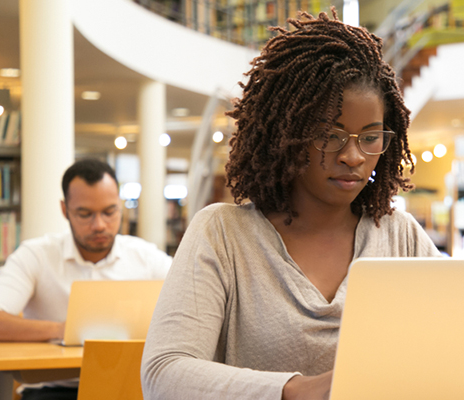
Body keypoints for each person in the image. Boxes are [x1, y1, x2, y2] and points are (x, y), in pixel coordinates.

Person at [141, 9, 441, 400]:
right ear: (287, 134)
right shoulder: (223, 234)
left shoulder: (401, 237)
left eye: (370, 137)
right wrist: (296, 390)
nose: (354, 156)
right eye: (330, 135)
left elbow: (457, 344)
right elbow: (164, 375)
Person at [0, 158, 172, 400]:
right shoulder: (37, 255)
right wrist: (64, 330)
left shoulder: (146, 257)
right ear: (65, 211)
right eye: (85, 214)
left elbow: (194, 301)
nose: (99, 225)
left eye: (109, 211)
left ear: (121, 206)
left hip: (131, 388)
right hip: (54, 389)